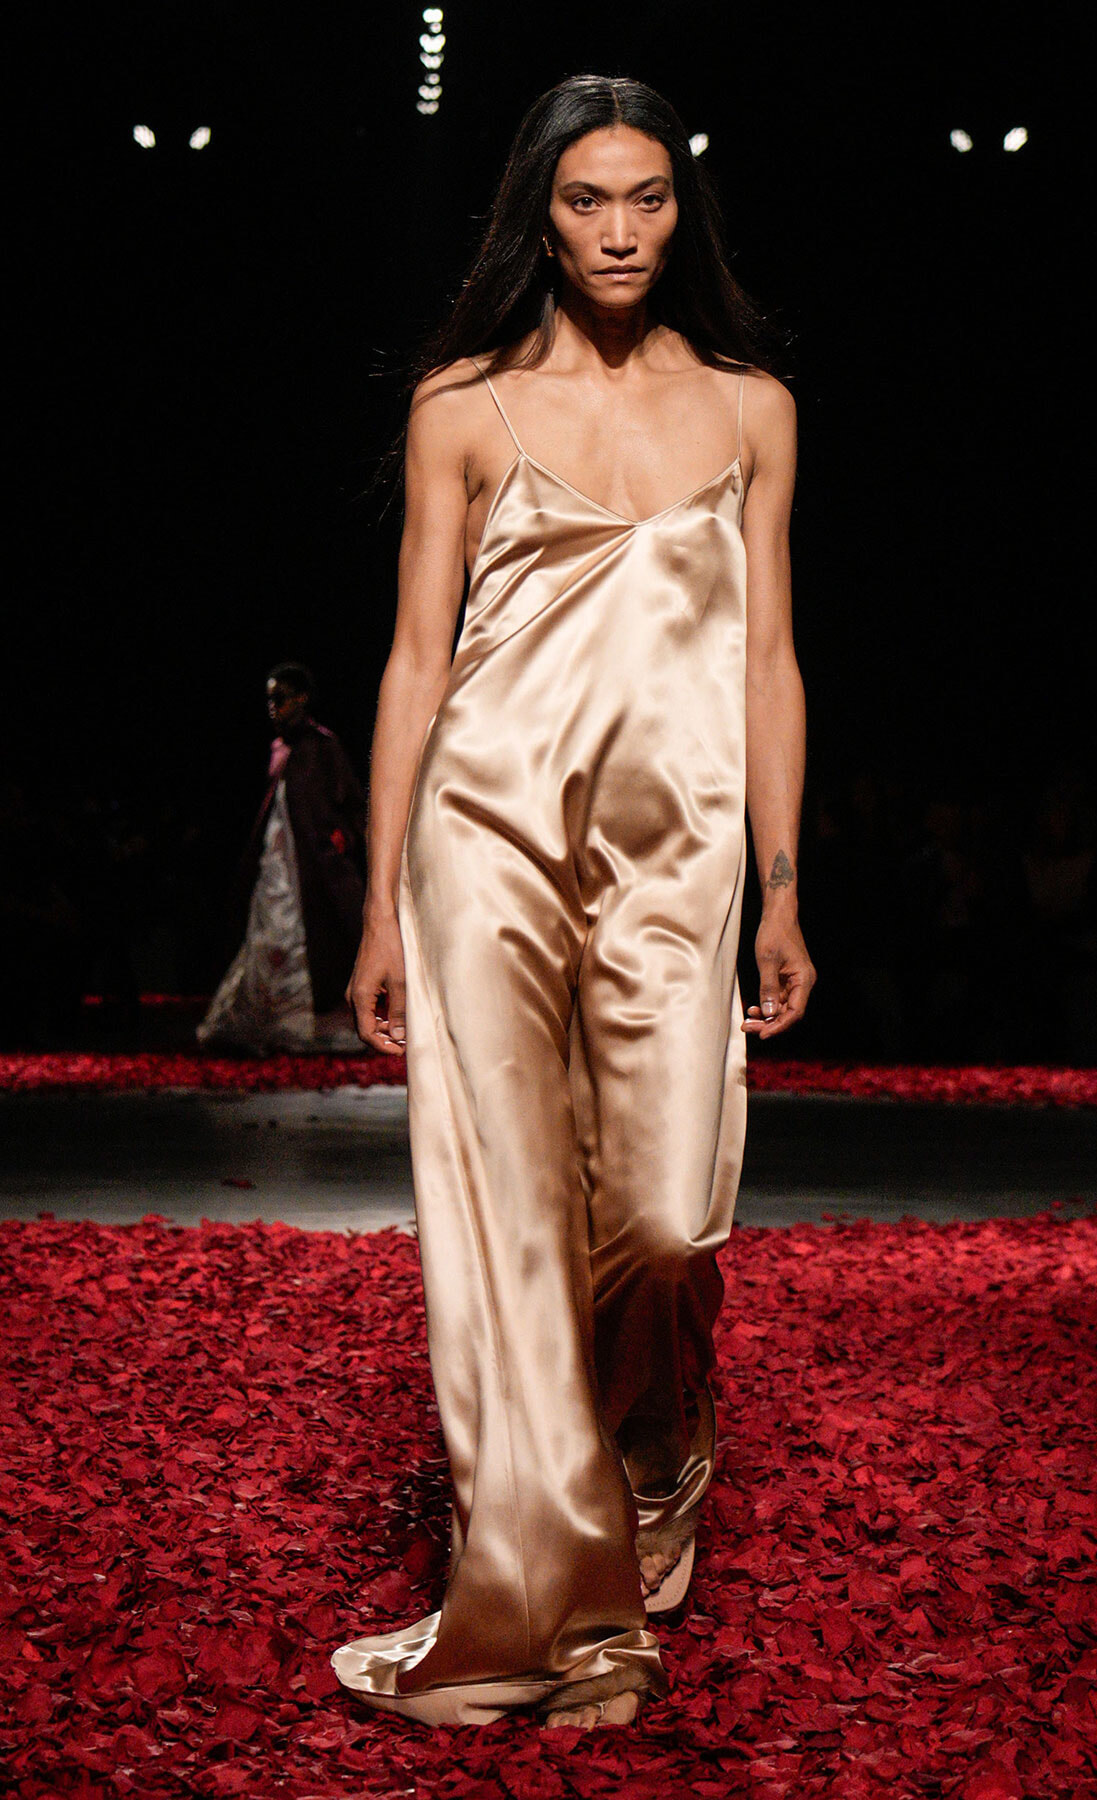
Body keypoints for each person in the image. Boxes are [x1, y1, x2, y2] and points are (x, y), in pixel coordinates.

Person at [331, 75, 815, 1729]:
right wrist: (383, 909)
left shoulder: (752, 409)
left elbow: (768, 658)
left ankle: (657, 1437)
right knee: (515, 1219)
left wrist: (781, 889)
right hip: (483, 836)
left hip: (678, 856)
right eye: (587, 200)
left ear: (685, 212)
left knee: (669, 1220)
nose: (619, 231)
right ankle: (559, 1593)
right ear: (537, 216)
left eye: (649, 199)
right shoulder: (462, 406)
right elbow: (415, 658)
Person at [198, 662, 366, 1054]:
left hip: (314, 866)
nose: (274, 708)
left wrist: (341, 839)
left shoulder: (323, 746)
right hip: (279, 862)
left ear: (302, 698)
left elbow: (353, 804)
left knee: (312, 938)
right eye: (270, 700)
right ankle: (267, 1020)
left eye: (281, 698)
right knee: (269, 933)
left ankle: (307, 1020)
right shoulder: (281, 749)